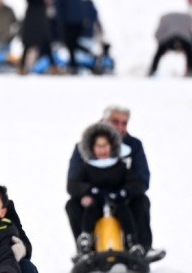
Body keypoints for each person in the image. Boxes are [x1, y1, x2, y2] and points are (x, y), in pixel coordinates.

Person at [65, 106, 164, 261]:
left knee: (142, 201)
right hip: (93, 198)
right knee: (72, 205)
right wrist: (88, 192)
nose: (120, 127)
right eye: (115, 122)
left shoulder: (133, 146)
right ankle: (85, 249)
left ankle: (142, 247)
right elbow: (73, 182)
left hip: (123, 196)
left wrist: (125, 193)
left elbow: (142, 180)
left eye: (124, 123)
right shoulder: (83, 147)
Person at [18, 0, 52, 73]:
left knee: (46, 42)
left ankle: (52, 66)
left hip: (42, 17)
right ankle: (23, 67)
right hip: (32, 17)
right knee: (28, 43)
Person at [149, 12, 192, 77]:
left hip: (168, 38)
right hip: (182, 39)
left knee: (159, 52)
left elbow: (157, 34)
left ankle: (152, 70)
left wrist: (161, 43)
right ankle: (191, 72)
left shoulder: (165, 18)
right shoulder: (189, 19)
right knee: (190, 52)